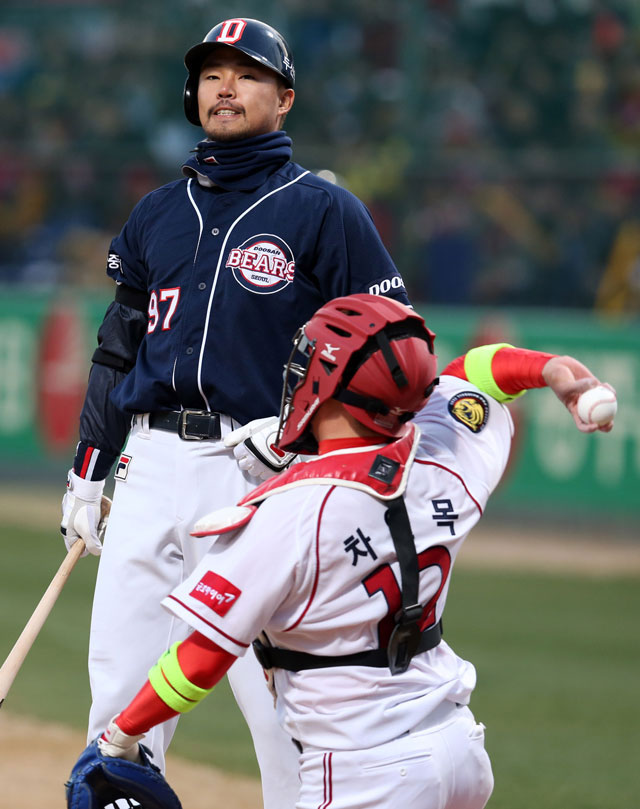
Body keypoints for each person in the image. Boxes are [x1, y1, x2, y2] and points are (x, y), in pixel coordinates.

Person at [66, 293, 615, 809]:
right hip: (459, 748)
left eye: (307, 364)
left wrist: (119, 735)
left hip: (362, 771)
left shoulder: (285, 515)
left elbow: (201, 658)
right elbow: (478, 375)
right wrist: (556, 372)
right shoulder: (453, 458)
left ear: (326, 386)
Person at [59, 18, 410, 809]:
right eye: (213, 72)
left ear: (284, 99)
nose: (226, 85)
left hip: (265, 482)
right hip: (149, 466)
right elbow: (120, 348)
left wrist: (309, 439)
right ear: (193, 94)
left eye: (248, 74)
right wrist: (90, 468)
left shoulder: (323, 209)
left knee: (284, 709)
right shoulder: (157, 212)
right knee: (118, 696)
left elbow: (393, 351)